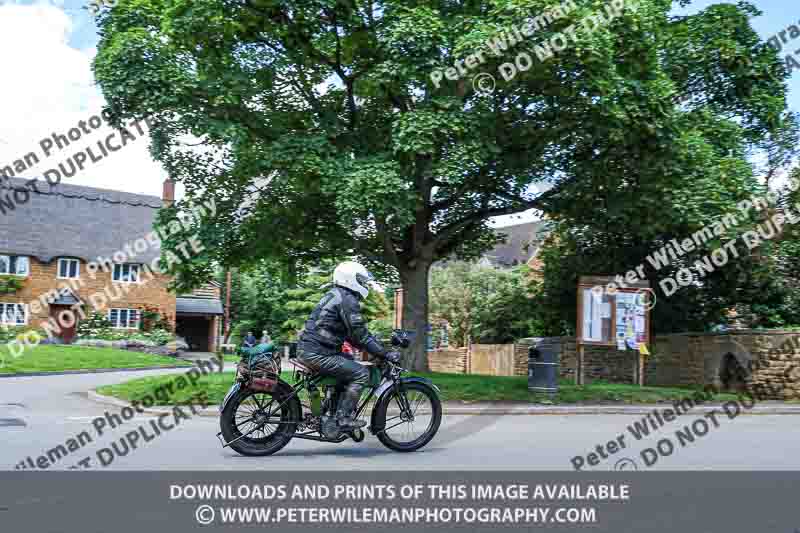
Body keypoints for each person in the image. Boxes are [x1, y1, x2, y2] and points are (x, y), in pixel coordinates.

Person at [297, 261, 401, 432]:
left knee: (348, 362)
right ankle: (343, 418)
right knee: (361, 373)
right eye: (361, 280)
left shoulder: (335, 294)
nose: (364, 284)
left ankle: (329, 410)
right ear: (350, 279)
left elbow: (350, 335)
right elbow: (361, 334)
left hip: (310, 350)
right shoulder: (347, 299)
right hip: (319, 353)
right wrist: (385, 353)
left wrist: (373, 349)